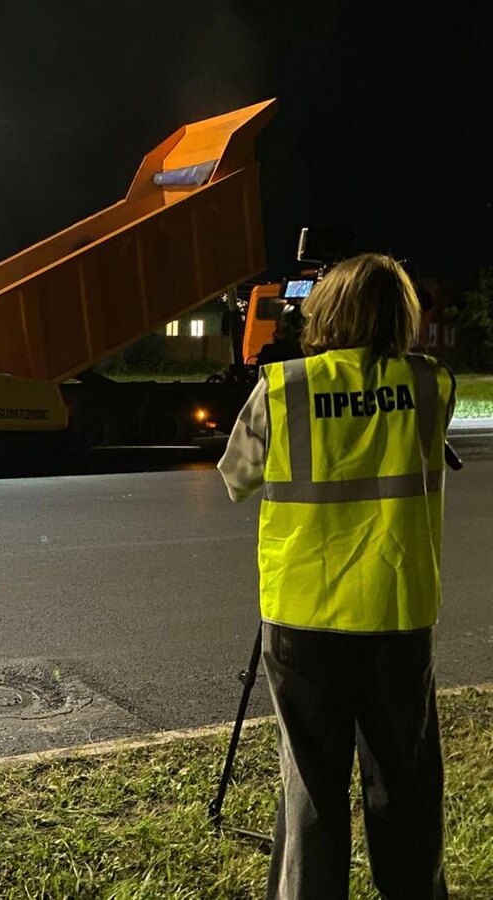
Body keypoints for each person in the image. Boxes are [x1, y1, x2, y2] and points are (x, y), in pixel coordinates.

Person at [217, 254, 454, 899]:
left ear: (327, 312)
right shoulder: (432, 383)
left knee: (313, 788)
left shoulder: (284, 387)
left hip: (304, 617)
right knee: (405, 783)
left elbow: (236, 479)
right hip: (397, 611)